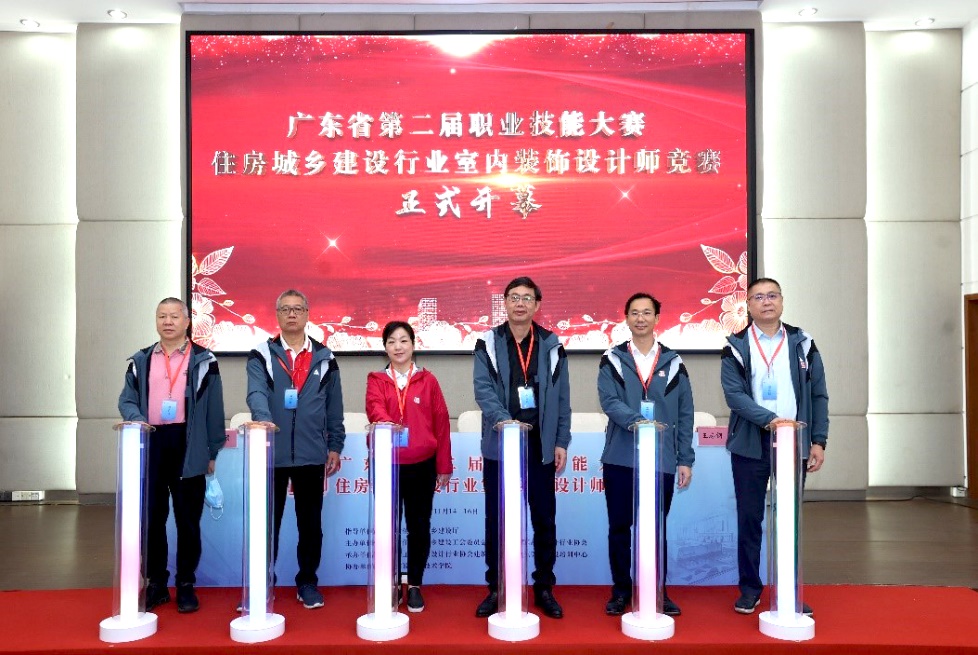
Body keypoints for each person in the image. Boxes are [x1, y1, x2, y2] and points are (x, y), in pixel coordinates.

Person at [720, 277, 828, 615]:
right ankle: (750, 589)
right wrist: (771, 420)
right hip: (751, 443)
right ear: (748, 305)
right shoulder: (736, 346)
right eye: (758, 297)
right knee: (750, 518)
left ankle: (788, 591)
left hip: (794, 441)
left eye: (772, 295)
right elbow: (734, 396)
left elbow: (818, 395)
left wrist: (818, 440)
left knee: (789, 519)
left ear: (781, 301)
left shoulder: (802, 343)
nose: (766, 302)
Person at [118, 297, 226, 613]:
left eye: (174, 316)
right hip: (151, 441)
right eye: (162, 316)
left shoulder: (204, 360)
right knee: (152, 519)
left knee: (187, 520)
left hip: (188, 444)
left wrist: (212, 451)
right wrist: (137, 420)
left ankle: (186, 584)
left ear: (187, 322)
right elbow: (126, 400)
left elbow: (215, 409)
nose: (168, 321)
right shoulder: (140, 360)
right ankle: (156, 583)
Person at [473, 276, 571, 619]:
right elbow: (483, 389)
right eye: (514, 297)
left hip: (540, 446)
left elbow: (563, 398)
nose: (520, 303)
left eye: (527, 298)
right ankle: (497, 587)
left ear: (537, 305)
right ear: (504, 302)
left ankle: (543, 586)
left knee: (544, 518)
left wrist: (561, 440)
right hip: (501, 444)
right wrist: (505, 421)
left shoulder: (551, 345)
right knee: (496, 519)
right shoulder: (488, 342)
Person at [246, 289, 346, 609]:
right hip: (271, 452)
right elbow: (256, 393)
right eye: (286, 309)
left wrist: (335, 444)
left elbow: (334, 406)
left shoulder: (325, 357)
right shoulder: (261, 354)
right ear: (277, 314)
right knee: (267, 524)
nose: (292, 314)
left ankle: (307, 582)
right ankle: (262, 583)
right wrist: (264, 420)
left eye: (298, 309)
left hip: (311, 453)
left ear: (307, 314)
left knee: (310, 525)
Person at [597, 292, 694, 617]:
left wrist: (685, 458)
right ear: (626, 318)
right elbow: (609, 401)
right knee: (619, 528)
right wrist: (639, 422)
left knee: (655, 529)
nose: (641, 318)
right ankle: (621, 591)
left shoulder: (674, 362)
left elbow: (685, 413)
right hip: (620, 458)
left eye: (647, 313)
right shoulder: (612, 359)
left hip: (661, 461)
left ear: (657, 318)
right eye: (635, 313)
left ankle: (656, 591)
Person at [365, 321, 452, 613]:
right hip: (387, 464)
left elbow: (441, 423)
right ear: (385, 347)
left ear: (413, 345)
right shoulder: (377, 379)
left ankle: (414, 584)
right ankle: (391, 583)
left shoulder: (428, 380)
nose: (398, 347)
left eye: (403, 340)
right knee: (388, 528)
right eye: (391, 341)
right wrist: (387, 422)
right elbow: (374, 407)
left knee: (418, 526)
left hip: (422, 465)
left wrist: (444, 465)